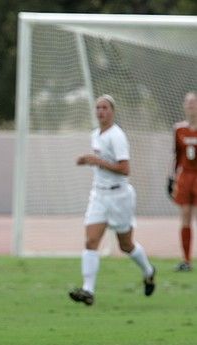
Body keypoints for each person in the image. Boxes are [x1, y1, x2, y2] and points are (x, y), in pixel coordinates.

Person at [69, 94, 156, 306]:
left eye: (105, 108)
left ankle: (149, 271)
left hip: (119, 196)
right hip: (99, 194)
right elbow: (100, 163)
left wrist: (97, 161)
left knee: (126, 245)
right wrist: (87, 160)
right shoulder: (95, 134)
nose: (101, 111)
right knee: (91, 241)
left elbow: (125, 169)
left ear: (112, 111)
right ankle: (88, 290)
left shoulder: (117, 136)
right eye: (98, 108)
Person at [170, 91, 197, 271]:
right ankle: (186, 260)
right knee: (185, 217)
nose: (190, 105)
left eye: (194, 102)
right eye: (187, 102)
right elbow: (176, 156)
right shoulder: (178, 129)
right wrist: (171, 178)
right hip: (185, 176)